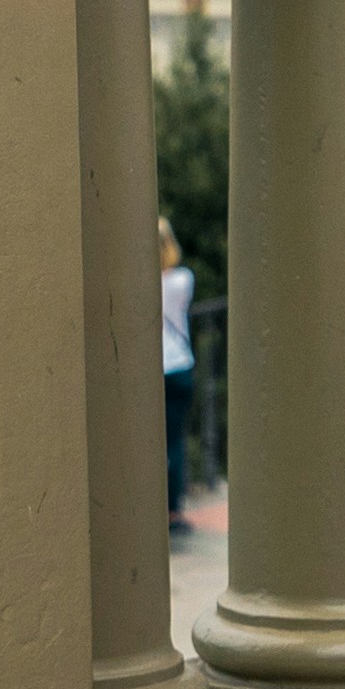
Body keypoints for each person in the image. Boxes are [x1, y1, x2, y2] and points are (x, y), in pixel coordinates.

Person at [157, 215, 200, 512]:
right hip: (179, 364)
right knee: (174, 442)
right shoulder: (183, 280)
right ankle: (173, 508)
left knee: (153, 443)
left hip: (154, 368)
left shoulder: (139, 283)